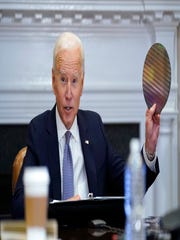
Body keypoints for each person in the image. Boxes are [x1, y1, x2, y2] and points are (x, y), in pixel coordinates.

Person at [12, 32, 160, 218]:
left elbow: (128, 185)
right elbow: (18, 205)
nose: (68, 93)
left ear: (82, 83)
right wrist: (61, 209)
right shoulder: (39, 130)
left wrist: (149, 150)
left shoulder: (94, 125)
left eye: (74, 81)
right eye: (63, 79)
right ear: (53, 81)